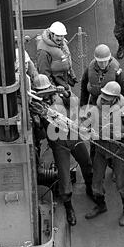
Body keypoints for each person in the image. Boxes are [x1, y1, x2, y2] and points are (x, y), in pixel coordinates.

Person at [29, 74, 93, 226]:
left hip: (73, 137)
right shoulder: (36, 108)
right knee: (64, 177)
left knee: (87, 163)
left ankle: (90, 188)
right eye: (41, 93)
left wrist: (67, 94)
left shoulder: (60, 98)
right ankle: (68, 207)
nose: (46, 96)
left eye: (47, 91)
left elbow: (75, 104)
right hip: (59, 145)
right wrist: (38, 122)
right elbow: (41, 135)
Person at [83, 81, 124, 226]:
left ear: (115, 98)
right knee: (96, 181)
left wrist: (119, 135)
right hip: (101, 151)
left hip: (117, 152)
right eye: (104, 95)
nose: (105, 99)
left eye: (108, 96)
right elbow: (86, 125)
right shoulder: (96, 109)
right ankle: (101, 205)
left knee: (121, 183)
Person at [36, 21, 78, 91]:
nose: (59, 38)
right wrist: (52, 88)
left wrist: (71, 76)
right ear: (51, 34)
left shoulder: (60, 44)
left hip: (63, 81)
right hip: (56, 86)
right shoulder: (43, 51)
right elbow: (44, 73)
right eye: (57, 36)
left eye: (61, 36)